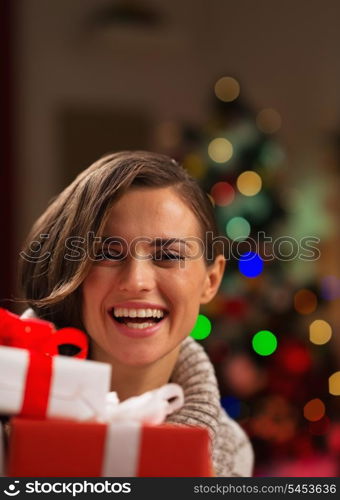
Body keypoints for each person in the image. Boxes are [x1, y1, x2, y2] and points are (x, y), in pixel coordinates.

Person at [19, 151, 254, 476]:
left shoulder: (233, 450)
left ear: (210, 280)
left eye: (168, 255)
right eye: (106, 253)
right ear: (74, 272)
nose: (136, 282)